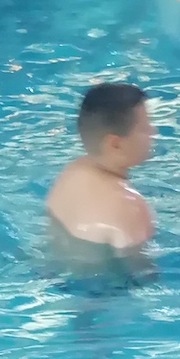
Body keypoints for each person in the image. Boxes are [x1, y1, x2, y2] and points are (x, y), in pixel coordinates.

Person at [45, 83, 154, 256]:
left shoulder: (70, 172)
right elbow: (142, 269)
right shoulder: (130, 208)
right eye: (144, 128)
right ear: (115, 144)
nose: (153, 131)